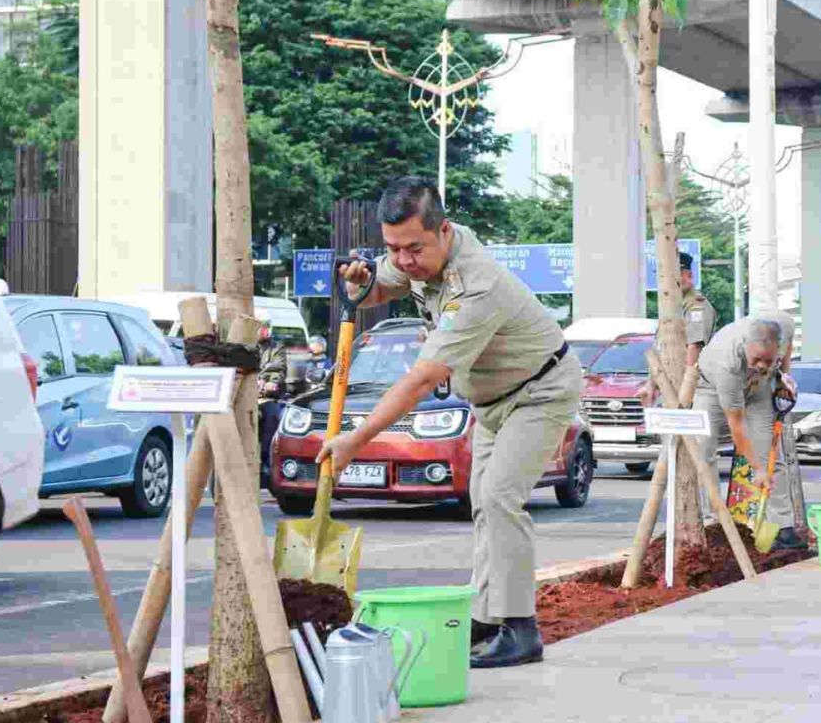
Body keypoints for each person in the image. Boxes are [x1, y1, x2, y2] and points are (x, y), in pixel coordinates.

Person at [318, 176, 580, 669]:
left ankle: (521, 629)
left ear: (444, 231)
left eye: (412, 248)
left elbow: (423, 380)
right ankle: (488, 616)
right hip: (490, 400)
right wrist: (363, 282)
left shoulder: (476, 286)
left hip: (541, 390)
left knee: (501, 496)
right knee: (483, 501)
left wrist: (357, 437)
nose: (402, 260)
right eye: (392, 248)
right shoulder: (415, 256)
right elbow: (379, 288)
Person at [693, 312, 805, 551]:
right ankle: (714, 522)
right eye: (757, 359)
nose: (763, 365)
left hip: (760, 388)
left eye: (769, 359)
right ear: (745, 346)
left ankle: (782, 527)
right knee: (704, 450)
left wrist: (782, 377)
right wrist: (757, 470)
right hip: (711, 388)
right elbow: (737, 426)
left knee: (772, 456)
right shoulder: (728, 363)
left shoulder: (783, 326)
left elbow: (785, 351)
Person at [638, 251, 718, 406]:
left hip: (691, 391)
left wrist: (685, 393)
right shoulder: (671, 307)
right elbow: (661, 349)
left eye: (672, 275)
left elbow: (695, 347)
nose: (666, 281)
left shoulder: (696, 306)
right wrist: (650, 386)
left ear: (688, 276)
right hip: (668, 388)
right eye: (663, 276)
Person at [257, 325, 288, 488]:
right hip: (243, 395)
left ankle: (267, 465)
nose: (262, 330)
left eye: (264, 326)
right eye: (259, 325)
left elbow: (278, 369)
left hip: (266, 397)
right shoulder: (243, 345)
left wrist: (270, 383)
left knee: (271, 415)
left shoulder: (276, 348)